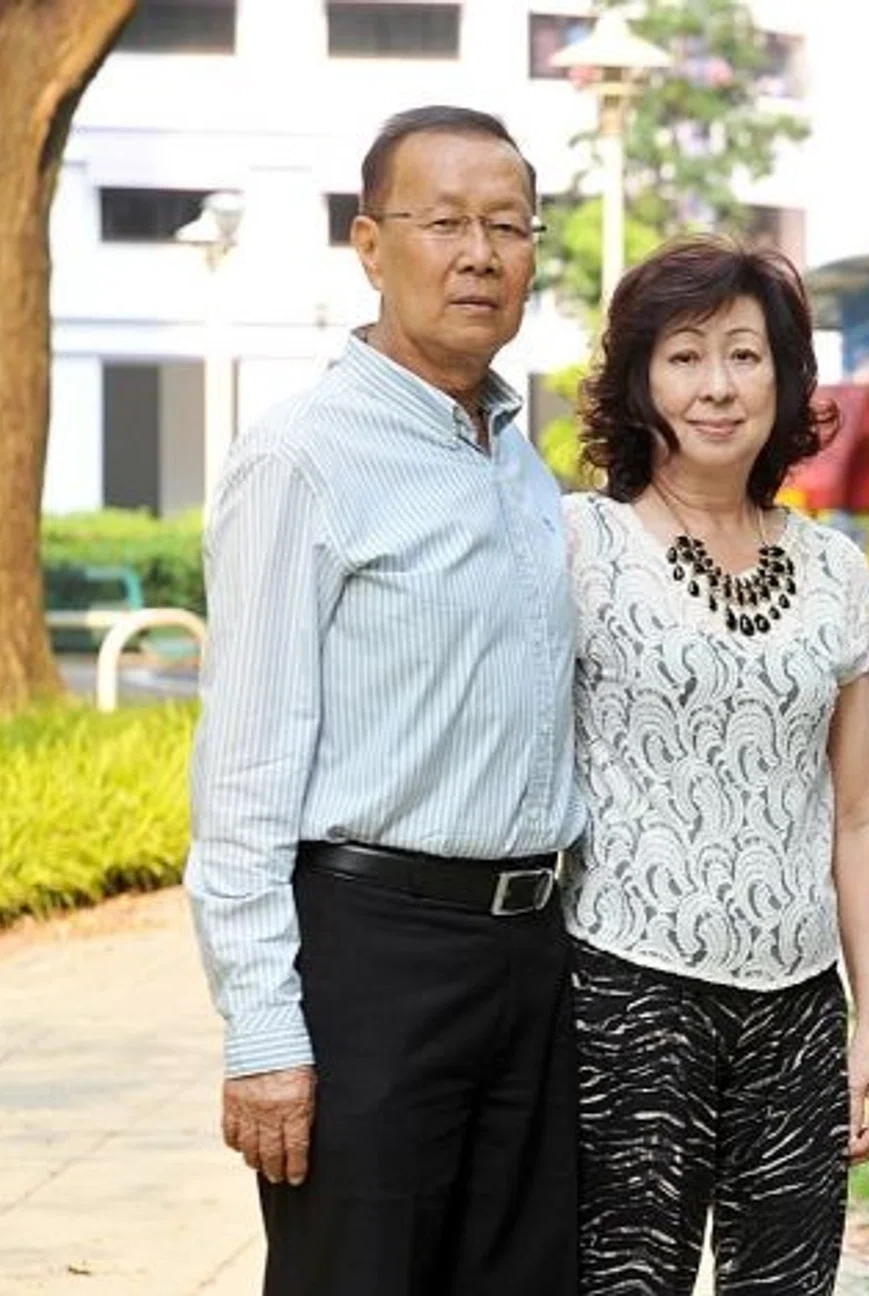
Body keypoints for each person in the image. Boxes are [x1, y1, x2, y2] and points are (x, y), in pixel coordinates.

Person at [186, 106, 580, 1296]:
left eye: (508, 226)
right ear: (369, 243)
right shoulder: (301, 457)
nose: (480, 253)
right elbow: (244, 769)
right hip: (372, 959)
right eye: (445, 222)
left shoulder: (521, 457)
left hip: (533, 959)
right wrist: (262, 1036)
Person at [564, 234, 869, 1295]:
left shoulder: (835, 570)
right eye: (684, 355)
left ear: (786, 376)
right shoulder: (575, 545)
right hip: (620, 992)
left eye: (745, 355)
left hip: (798, 1006)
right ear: (639, 380)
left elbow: (858, 813)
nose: (717, 386)